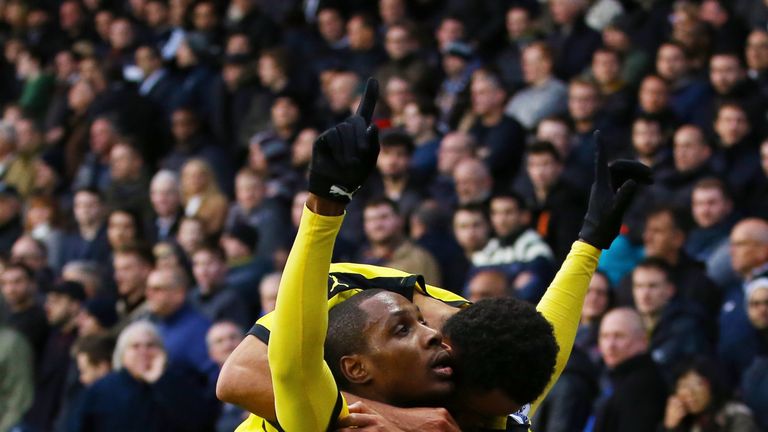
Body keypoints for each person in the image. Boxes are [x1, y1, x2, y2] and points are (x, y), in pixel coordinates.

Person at [218, 79, 651, 430]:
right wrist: (327, 201)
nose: (490, 422)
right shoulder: (364, 307)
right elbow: (262, 373)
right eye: (409, 329)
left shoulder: (486, 382)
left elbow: (539, 363)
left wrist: (589, 245)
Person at [71, 320, 216, 431]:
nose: (143, 352)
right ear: (123, 354)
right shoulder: (102, 389)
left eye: (150, 345)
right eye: (135, 346)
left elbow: (199, 422)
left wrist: (161, 380)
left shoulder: (180, 380)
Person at [593, 308, 668, 432]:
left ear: (643, 341)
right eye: (605, 336)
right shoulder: (615, 377)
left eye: (619, 336)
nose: (610, 345)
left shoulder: (643, 386)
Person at [662, 357, 758, 432]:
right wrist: (670, 427)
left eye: (696, 384)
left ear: (711, 384)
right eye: (683, 386)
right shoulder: (687, 421)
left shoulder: (736, 415)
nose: (689, 393)